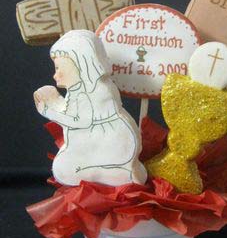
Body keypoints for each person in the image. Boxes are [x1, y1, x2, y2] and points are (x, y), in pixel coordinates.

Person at [34, 30, 147, 186]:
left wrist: (49, 112)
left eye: (59, 68)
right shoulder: (83, 90)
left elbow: (80, 122)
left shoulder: (88, 93)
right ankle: (119, 172)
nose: (55, 75)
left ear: (80, 64)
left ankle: (121, 174)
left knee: (62, 168)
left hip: (107, 143)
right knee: (64, 167)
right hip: (102, 143)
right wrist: (55, 102)